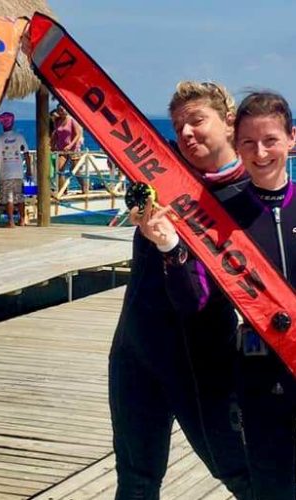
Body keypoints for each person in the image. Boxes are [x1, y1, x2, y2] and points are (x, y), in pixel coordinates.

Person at [146, 91, 296, 500]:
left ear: (291, 139)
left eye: (270, 141)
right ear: (237, 143)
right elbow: (194, 302)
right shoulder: (219, 215)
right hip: (258, 378)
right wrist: (169, 247)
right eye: (249, 142)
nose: (260, 153)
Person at [109, 81, 254, 499]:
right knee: (136, 479)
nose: (186, 133)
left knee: (241, 474)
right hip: (135, 350)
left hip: (202, 359)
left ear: (229, 122)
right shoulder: (160, 175)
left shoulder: (249, 198)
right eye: (177, 126)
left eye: (196, 120)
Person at [0, 111, 31, 227]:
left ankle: (11, 221)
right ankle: (22, 220)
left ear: (3, 124)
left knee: (9, 198)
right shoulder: (19, 137)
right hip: (18, 172)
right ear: (12, 123)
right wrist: (29, 170)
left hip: (6, 172)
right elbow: (26, 154)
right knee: (20, 197)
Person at [50, 104, 85, 193]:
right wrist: (52, 145)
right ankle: (63, 190)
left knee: (76, 170)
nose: (62, 111)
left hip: (73, 149)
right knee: (59, 169)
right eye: (60, 110)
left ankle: (85, 188)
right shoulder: (57, 121)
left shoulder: (72, 120)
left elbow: (78, 134)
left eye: (63, 109)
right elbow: (56, 134)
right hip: (62, 149)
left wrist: (70, 145)